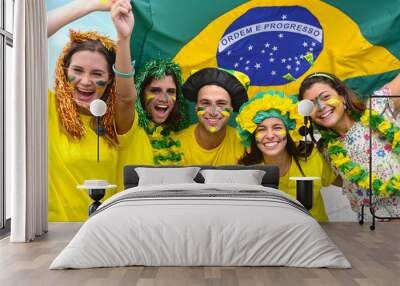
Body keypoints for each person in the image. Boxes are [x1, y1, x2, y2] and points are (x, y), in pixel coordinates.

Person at [47, 0, 135, 221]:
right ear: (63, 72)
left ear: (109, 80)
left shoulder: (114, 121)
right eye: (77, 70)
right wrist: (93, 4)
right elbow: (25, 37)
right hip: (54, 232)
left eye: (97, 74)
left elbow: (126, 98)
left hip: (104, 233)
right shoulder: (46, 108)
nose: (86, 81)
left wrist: (123, 38)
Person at [299, 72, 400, 217]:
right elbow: (340, 180)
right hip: (376, 232)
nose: (321, 106)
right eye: (312, 103)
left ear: (342, 96)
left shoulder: (377, 109)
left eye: (326, 97)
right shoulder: (324, 151)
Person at [236, 90, 337, 221]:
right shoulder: (246, 171)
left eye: (277, 127)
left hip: (316, 232)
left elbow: (339, 180)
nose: (270, 135)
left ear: (289, 131)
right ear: (252, 136)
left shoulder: (311, 156)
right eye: (261, 129)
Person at [174, 67, 249, 165]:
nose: (213, 112)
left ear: (231, 108)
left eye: (221, 104)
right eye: (206, 103)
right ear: (196, 107)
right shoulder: (176, 144)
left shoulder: (244, 144)